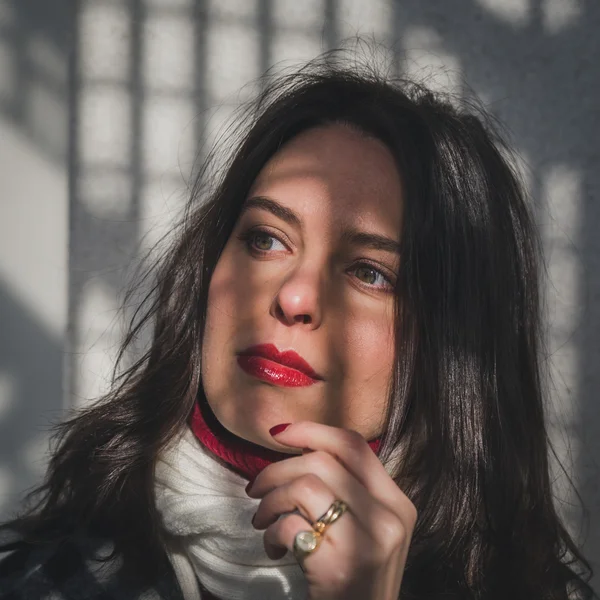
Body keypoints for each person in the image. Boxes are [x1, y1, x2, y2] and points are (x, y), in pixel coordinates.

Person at [0, 51, 596, 600]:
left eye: (370, 272)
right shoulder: (52, 581)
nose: (295, 295)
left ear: (455, 344)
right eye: (266, 238)